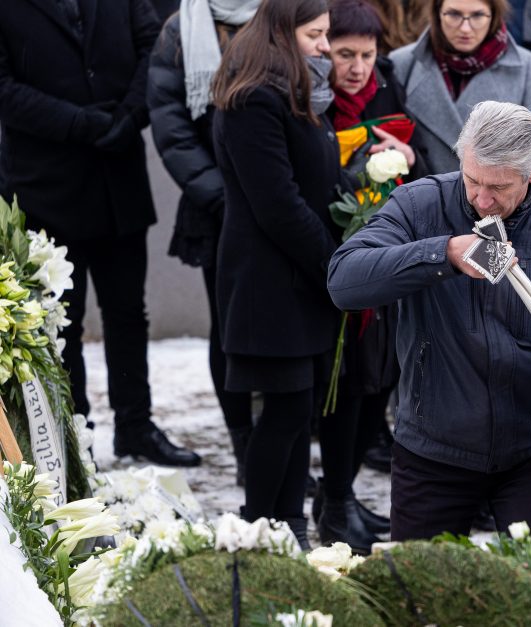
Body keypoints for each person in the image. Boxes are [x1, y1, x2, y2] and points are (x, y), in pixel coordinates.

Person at [328, 101, 531, 540]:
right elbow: (344, 281)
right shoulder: (419, 204)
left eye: (499, 187)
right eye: (472, 181)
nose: (482, 200)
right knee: (420, 594)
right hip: (432, 445)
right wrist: (443, 253)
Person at [0, 0, 201, 467]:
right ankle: (74, 432)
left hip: (117, 177)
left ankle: (135, 427)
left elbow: (153, 48)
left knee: (128, 312)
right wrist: (77, 123)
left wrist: (131, 116)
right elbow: (4, 89)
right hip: (44, 185)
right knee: (59, 324)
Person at [211, 0, 341, 549]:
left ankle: (289, 529)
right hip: (271, 284)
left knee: (297, 409)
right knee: (284, 411)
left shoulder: (287, 91)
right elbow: (278, 205)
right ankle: (255, 530)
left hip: (294, 279)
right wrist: (333, 266)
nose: (325, 47)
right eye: (316, 34)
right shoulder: (253, 101)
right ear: (283, 34)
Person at [310, 0, 426, 552]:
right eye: (344, 54)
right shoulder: (311, 101)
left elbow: (416, 156)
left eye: (367, 54)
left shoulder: (384, 90)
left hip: (384, 257)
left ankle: (344, 495)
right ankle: (333, 503)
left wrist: (405, 154)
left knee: (376, 383)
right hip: (333, 260)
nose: (357, 67)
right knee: (346, 388)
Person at [148, 0, 260, 485]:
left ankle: (282, 440)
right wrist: (222, 194)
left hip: (276, 195)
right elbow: (170, 122)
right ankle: (244, 448)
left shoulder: (278, 14)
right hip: (217, 207)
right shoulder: (181, 26)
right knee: (229, 329)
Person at [388, 0, 531, 179]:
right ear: (437, 13)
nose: (465, 28)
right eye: (454, 14)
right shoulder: (403, 64)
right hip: (421, 200)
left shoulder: (525, 66)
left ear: (493, 15)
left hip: (495, 201)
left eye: (477, 15)